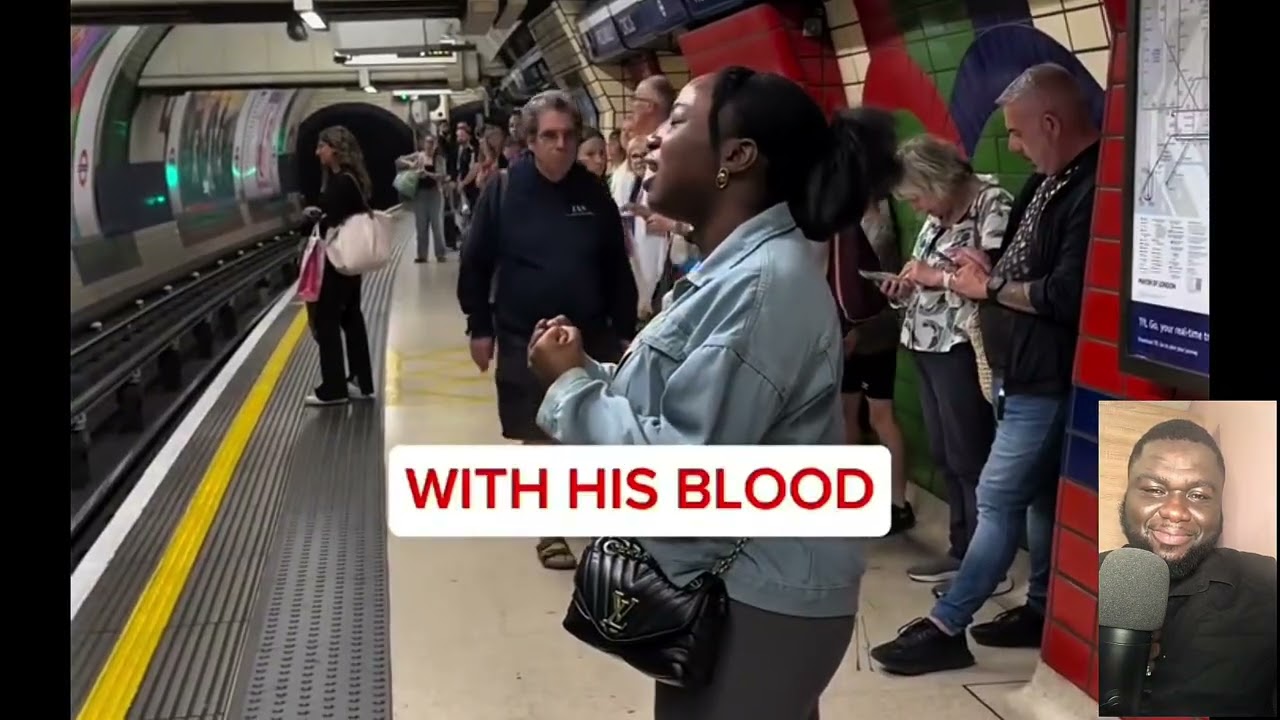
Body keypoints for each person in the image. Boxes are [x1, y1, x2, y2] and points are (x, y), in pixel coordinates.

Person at [526, 67, 900, 720]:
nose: (650, 141)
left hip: (756, 603)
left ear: (736, 157)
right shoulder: (734, 274)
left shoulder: (761, 290)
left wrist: (572, 389)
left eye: (676, 122)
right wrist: (586, 369)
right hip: (731, 589)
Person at [872, 62, 1100, 675]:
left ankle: (949, 623)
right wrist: (986, 280)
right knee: (1037, 502)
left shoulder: (1090, 184)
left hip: (1048, 378)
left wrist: (988, 284)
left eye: (1020, 134)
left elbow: (1066, 293)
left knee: (996, 494)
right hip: (1020, 371)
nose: (1015, 146)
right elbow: (1008, 275)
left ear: (1051, 122)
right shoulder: (1046, 181)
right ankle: (1042, 607)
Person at [456, 90, 637, 572]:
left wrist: (625, 328)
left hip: (589, 334)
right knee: (538, 435)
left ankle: (601, 524)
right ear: (530, 140)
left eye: (568, 136)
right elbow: (476, 262)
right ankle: (550, 530)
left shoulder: (593, 192)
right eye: (549, 136)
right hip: (523, 333)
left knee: (591, 431)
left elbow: (616, 265)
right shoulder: (504, 190)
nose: (560, 144)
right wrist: (480, 326)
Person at [881, 134, 1011, 596]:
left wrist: (935, 277)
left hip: (962, 343)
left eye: (919, 198)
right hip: (924, 341)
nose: (920, 210)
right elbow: (921, 267)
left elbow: (996, 279)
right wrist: (906, 285)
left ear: (938, 180)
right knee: (944, 452)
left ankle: (987, 562)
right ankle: (961, 547)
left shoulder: (991, 204)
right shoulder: (938, 219)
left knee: (970, 452)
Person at [1105, 419, 1276, 717]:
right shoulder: (1081, 580)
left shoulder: (1267, 585)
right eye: (1154, 489)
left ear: (1219, 508)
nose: (1175, 511)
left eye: (1198, 495)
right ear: (1126, 497)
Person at [827, 189, 915, 535]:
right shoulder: (847, 220)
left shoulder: (877, 224)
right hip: (849, 330)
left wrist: (854, 329)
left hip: (873, 330)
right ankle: (854, 496)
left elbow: (866, 283)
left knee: (880, 415)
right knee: (848, 410)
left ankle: (897, 503)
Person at [303, 125, 376, 407]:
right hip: (350, 262)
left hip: (337, 261)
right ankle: (359, 380)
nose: (317, 152)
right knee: (351, 317)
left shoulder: (341, 182)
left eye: (321, 146)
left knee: (327, 319)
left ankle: (334, 388)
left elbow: (333, 220)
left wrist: (314, 219)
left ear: (334, 149)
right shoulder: (351, 179)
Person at [397, 134, 449, 264]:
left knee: (436, 225)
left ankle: (440, 253)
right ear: (423, 144)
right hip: (420, 194)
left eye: (432, 143)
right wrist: (412, 165)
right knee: (421, 225)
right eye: (427, 142)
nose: (429, 145)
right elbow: (398, 161)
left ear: (435, 145)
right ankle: (422, 255)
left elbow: (442, 176)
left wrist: (428, 174)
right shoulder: (418, 156)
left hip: (434, 193)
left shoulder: (439, 159)